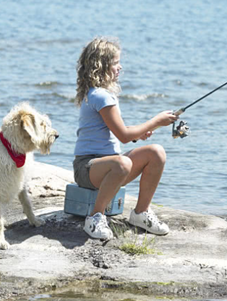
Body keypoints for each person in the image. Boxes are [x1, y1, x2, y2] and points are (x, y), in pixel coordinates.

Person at [73, 37, 178, 240]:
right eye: (115, 63)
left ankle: (141, 213)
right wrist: (156, 121)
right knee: (122, 163)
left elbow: (119, 130)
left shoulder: (101, 94)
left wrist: (139, 133)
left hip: (110, 166)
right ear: (100, 66)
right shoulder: (100, 96)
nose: (119, 67)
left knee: (156, 152)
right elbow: (123, 135)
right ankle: (95, 217)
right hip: (87, 168)